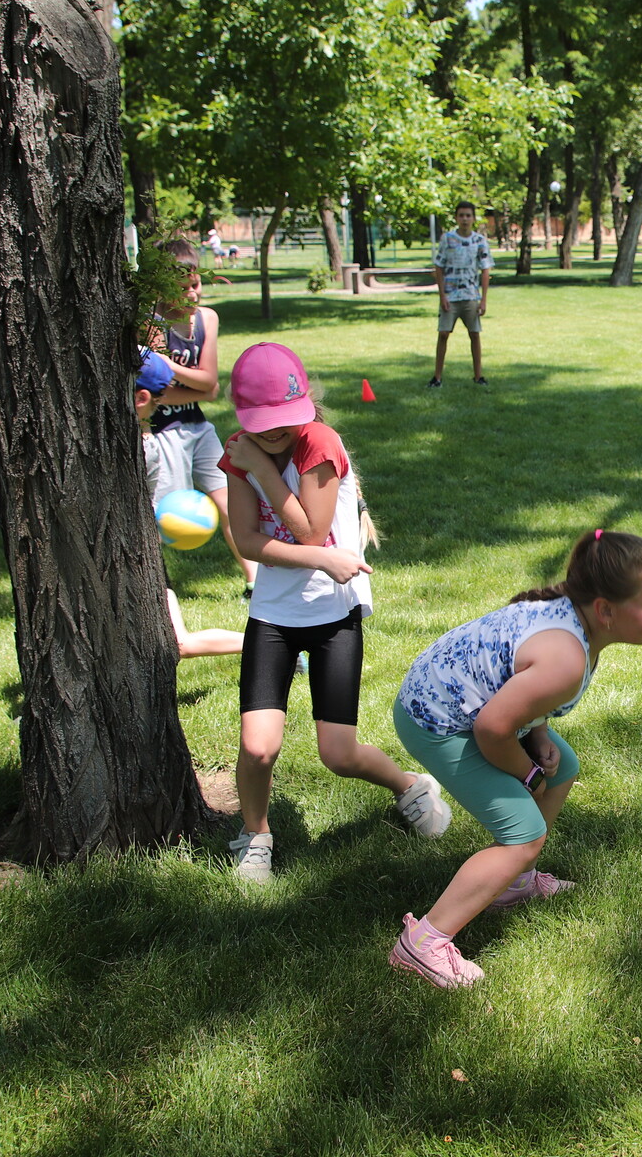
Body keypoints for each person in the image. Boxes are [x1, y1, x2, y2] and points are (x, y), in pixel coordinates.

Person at [388, 529, 642, 989]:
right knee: (523, 834)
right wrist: (529, 772)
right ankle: (423, 944)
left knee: (567, 767)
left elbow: (518, 681)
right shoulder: (566, 659)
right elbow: (492, 730)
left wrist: (538, 734)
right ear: (605, 610)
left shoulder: (573, 619)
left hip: (463, 706)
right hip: (436, 721)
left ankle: (514, 884)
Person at [219, 342, 450, 883]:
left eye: (284, 421)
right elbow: (249, 541)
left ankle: (410, 786)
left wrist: (263, 470)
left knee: (338, 754)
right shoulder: (239, 453)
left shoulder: (320, 442)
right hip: (272, 616)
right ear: (242, 414)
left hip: (333, 616)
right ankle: (255, 837)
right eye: (263, 425)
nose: (274, 434)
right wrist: (319, 558)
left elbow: (309, 528)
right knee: (257, 747)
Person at [144, 238, 257, 592]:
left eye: (195, 285)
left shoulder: (207, 319)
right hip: (161, 433)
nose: (192, 294)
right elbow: (149, 394)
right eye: (182, 288)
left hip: (197, 426)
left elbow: (209, 386)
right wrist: (167, 382)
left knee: (231, 504)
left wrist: (163, 364)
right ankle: (155, 589)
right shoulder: (148, 323)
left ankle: (254, 582)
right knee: (165, 516)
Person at [136, 351, 243, 660]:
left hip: (144, 566)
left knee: (179, 644)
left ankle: (276, 644)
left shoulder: (145, 453)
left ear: (141, 398)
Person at [429, 200, 494, 388]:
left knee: (474, 334)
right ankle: (437, 377)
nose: (465, 219)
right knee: (443, 334)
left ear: (473, 218)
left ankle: (478, 376)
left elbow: (485, 269)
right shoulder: (448, 239)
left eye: (468, 215)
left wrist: (483, 299)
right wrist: (442, 296)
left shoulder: (479, 241)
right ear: (456, 218)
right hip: (451, 296)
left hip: (471, 296)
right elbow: (439, 266)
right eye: (461, 215)